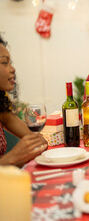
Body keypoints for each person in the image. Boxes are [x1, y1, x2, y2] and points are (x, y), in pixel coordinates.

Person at [0, 35, 48, 167]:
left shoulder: (2, 111)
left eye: (11, 63)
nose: (12, 69)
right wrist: (12, 158)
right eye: (5, 62)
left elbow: (39, 142)